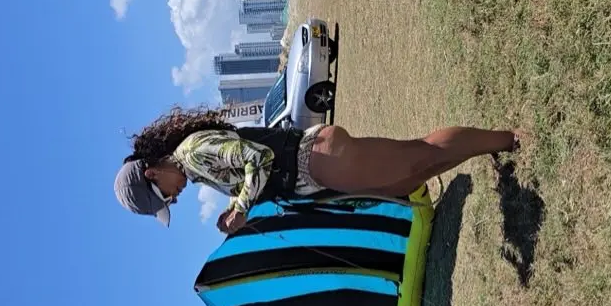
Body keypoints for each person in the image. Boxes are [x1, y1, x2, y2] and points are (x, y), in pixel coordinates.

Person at [113, 107, 520, 233]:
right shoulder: (195, 167)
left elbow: (258, 157)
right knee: (411, 176)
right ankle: (492, 147)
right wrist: (239, 206)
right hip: (319, 168)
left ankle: (509, 139)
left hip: (317, 159)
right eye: (169, 204)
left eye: (164, 197)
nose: (174, 199)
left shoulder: (193, 152)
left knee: (419, 156)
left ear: (152, 174)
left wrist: (241, 207)